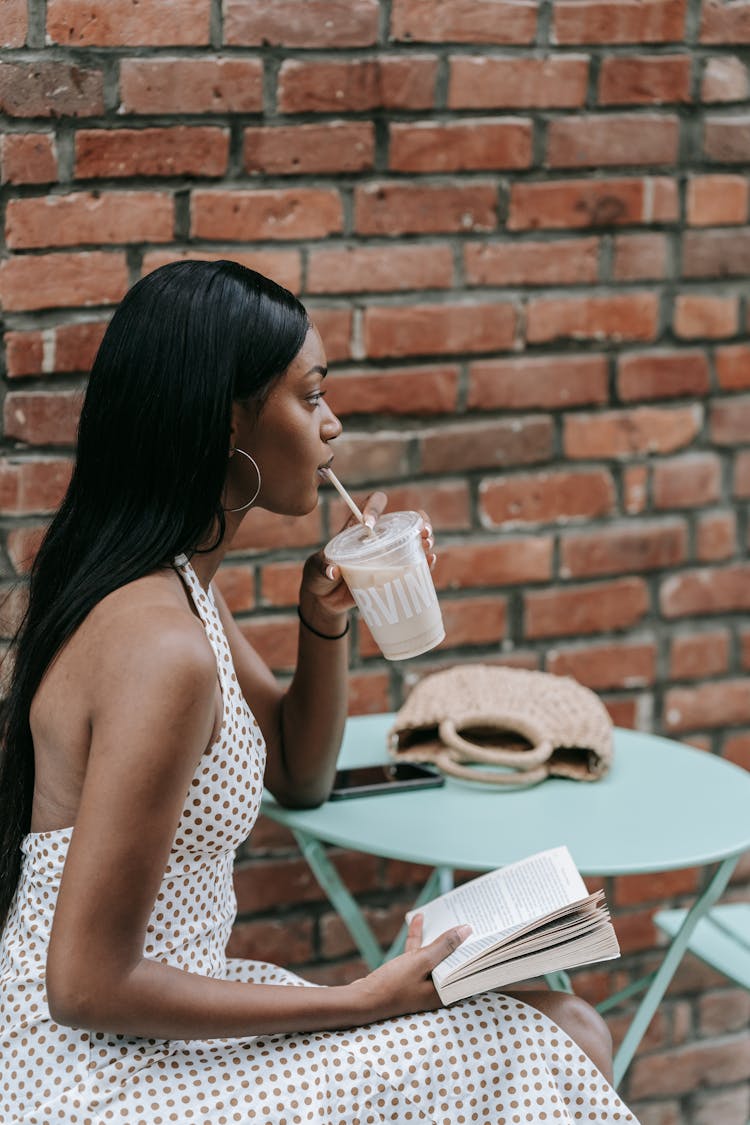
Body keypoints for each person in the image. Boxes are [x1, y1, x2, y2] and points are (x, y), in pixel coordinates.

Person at [0, 260, 638, 1124]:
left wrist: (322, 614)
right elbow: (84, 982)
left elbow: (299, 773)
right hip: (96, 1075)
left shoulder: (176, 587)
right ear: (228, 419)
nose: (332, 426)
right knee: (561, 1034)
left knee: (561, 1023)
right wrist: (361, 999)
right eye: (309, 397)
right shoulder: (162, 647)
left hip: (134, 1029)